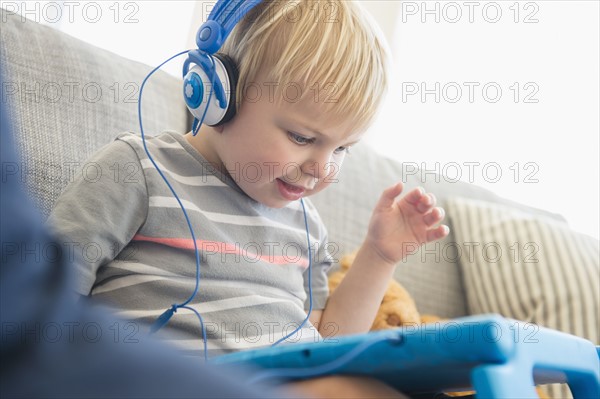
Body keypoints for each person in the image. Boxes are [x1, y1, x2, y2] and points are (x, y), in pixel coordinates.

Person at [46, 1, 449, 397]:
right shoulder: (137, 171)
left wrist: (379, 256)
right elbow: (39, 295)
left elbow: (328, 343)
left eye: (343, 148)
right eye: (302, 138)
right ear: (218, 95)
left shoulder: (306, 226)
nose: (323, 169)